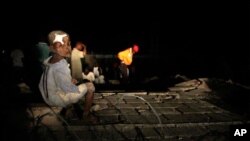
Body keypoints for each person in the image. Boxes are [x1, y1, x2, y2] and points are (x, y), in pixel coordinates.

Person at [38, 30, 98, 123]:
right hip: (55, 99)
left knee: (76, 84)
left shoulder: (50, 60)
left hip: (46, 95)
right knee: (90, 86)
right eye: (59, 45)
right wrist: (74, 85)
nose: (66, 47)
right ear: (51, 48)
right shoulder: (60, 66)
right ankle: (86, 115)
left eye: (68, 44)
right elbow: (69, 89)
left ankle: (68, 110)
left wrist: (70, 82)